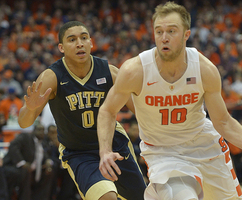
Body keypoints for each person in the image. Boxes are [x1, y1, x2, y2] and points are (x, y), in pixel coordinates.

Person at [98, 2, 242, 200]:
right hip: (163, 152)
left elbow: (223, 122)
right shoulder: (135, 71)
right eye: (159, 31)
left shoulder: (204, 69)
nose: (164, 37)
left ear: (186, 34)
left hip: (204, 146)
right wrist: (105, 151)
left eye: (172, 31)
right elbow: (107, 111)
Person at [17, 21, 146, 200]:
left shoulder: (110, 72)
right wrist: (30, 109)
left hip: (114, 145)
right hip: (79, 152)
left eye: (84, 38)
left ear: (91, 43)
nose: (79, 43)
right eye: (72, 39)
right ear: (61, 47)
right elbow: (24, 122)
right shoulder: (51, 77)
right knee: (106, 197)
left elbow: (143, 112)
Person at [2, 124, 54, 200]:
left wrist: (48, 161)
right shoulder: (25, 137)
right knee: (26, 172)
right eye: (39, 130)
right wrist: (22, 163)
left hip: (33, 170)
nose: (41, 132)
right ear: (33, 131)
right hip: (12, 166)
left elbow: (47, 156)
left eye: (43, 130)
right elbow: (13, 146)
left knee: (49, 172)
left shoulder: (43, 143)